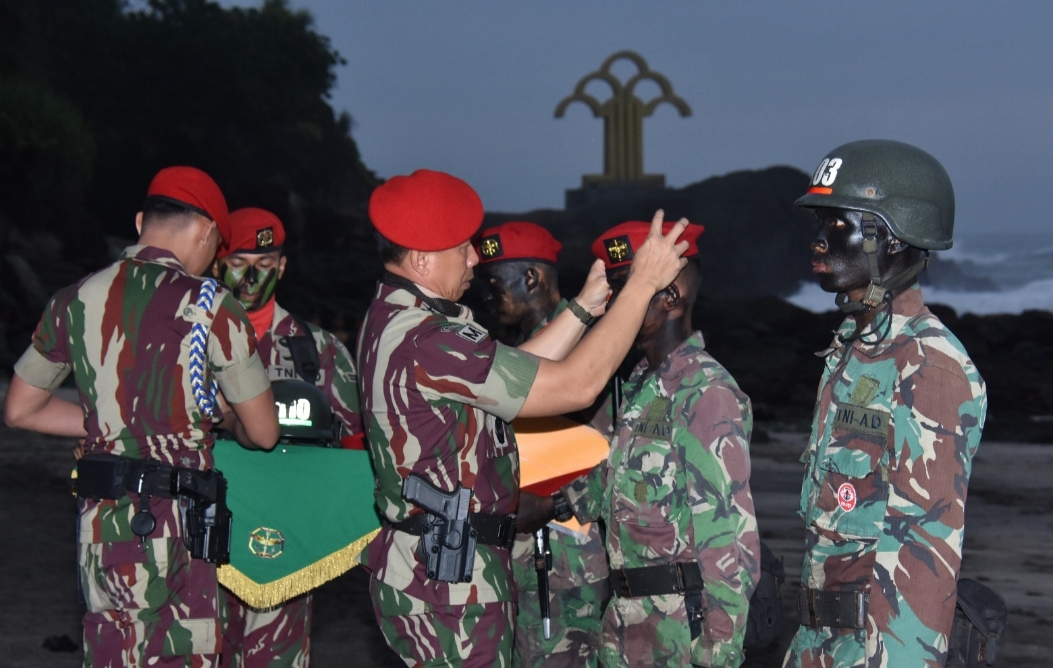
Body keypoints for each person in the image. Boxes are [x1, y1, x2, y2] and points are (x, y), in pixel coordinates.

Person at [356, 169, 689, 668]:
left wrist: (582, 308)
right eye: (462, 248)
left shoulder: (397, 319)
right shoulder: (429, 338)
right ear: (422, 259)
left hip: (434, 570)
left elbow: (518, 375)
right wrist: (641, 284)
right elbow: (576, 385)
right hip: (449, 587)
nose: (474, 258)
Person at [3, 166, 279, 667]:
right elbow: (263, 432)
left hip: (100, 522)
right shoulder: (212, 306)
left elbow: (21, 409)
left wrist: (113, 424)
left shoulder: (72, 300)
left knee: (111, 650)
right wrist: (221, 418)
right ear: (207, 232)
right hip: (175, 525)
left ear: (139, 222)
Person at [783, 140, 987, 668]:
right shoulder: (855, 350)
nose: (819, 239)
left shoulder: (928, 365)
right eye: (819, 223)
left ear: (890, 237)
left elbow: (924, 560)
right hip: (820, 646)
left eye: (838, 223)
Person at [522, 220, 761, 667]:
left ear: (670, 297)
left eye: (628, 289)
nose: (615, 304)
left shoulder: (705, 392)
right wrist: (549, 504)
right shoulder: (639, 385)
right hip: (626, 626)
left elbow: (729, 541)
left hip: (680, 634)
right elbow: (614, 483)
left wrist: (718, 651)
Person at [211, 207, 364, 667]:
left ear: (281, 267)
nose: (250, 277)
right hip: (202, 539)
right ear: (217, 263)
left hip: (284, 545)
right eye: (238, 263)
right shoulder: (188, 344)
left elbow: (355, 450)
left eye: (263, 264)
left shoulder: (318, 351)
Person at [474, 221, 610, 667]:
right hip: (513, 563)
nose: (487, 296)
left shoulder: (589, 350)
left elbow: (619, 454)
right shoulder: (506, 354)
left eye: (495, 283)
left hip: (569, 569)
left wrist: (555, 503)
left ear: (531, 278)